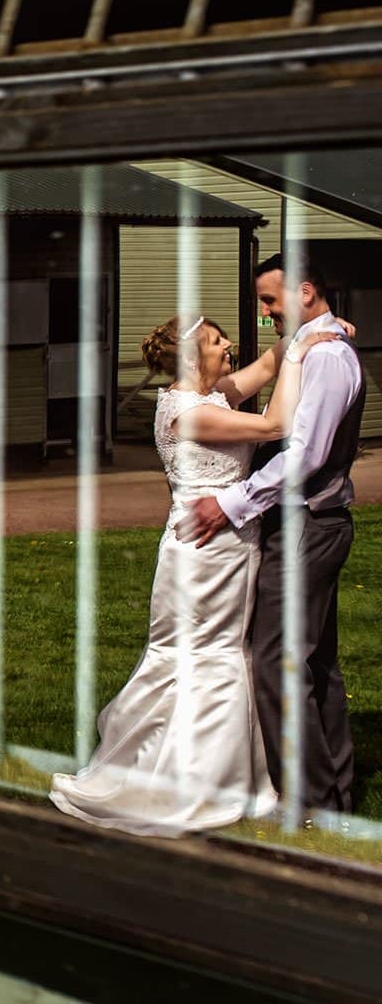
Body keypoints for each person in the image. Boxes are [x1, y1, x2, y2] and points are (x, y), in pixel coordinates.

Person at [51, 313, 341, 836]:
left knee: (223, 651)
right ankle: (193, 779)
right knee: (207, 656)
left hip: (229, 547)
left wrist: (315, 326)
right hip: (204, 555)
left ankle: (229, 776)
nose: (228, 345)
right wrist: (301, 354)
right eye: (216, 341)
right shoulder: (188, 412)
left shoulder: (212, 395)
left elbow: (267, 365)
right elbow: (275, 425)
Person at [184, 256, 365, 815]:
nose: (265, 314)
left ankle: (310, 802)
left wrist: (232, 503)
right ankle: (331, 796)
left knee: (277, 663)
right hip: (296, 523)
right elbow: (268, 370)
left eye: (270, 300)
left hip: (307, 521)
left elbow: (305, 455)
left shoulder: (328, 357)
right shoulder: (311, 348)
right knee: (311, 664)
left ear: (304, 291)